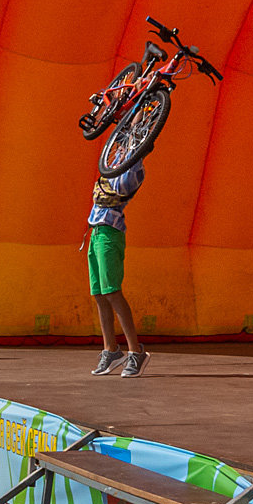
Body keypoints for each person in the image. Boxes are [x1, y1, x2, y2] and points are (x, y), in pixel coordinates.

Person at [88, 160, 150, 378]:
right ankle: (111, 350)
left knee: (113, 292)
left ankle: (135, 351)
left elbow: (115, 192)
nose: (121, 150)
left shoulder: (135, 169)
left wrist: (136, 130)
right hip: (95, 232)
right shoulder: (113, 162)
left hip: (110, 232)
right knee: (99, 294)